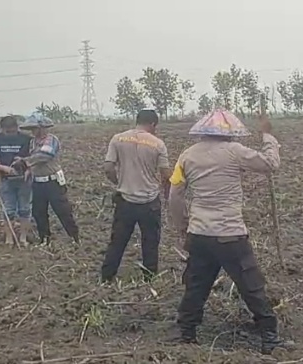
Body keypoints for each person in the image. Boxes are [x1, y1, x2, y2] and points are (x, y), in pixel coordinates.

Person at [168, 109, 289, 355]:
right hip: (230, 234)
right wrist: (268, 137)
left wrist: (183, 226)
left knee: (196, 286)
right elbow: (270, 164)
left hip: (199, 234)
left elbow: (174, 195)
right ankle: (270, 338)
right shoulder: (235, 151)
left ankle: (186, 334)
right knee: (251, 286)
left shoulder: (187, 155)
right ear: (230, 132)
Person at [101, 109, 172, 283]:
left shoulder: (117, 139)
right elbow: (165, 174)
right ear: (153, 124)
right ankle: (149, 277)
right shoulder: (158, 144)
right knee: (150, 240)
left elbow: (108, 168)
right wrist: (167, 194)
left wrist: (118, 182)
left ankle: (107, 276)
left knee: (118, 240)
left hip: (125, 200)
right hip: (149, 201)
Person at [13, 113, 79, 245]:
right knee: (39, 212)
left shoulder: (51, 139)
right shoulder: (32, 142)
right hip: (38, 182)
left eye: (35, 128)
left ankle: (74, 237)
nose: (33, 131)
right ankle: (45, 238)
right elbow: (34, 160)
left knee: (62, 210)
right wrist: (28, 169)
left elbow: (44, 156)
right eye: (31, 129)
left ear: (42, 128)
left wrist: (25, 162)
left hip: (53, 181)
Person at [0, 115, 33, 245]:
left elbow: (33, 159)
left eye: (13, 131)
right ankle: (9, 238)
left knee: (24, 209)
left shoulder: (27, 140)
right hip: (6, 179)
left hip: (24, 179)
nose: (11, 134)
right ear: (2, 129)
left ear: (17, 128)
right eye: (8, 132)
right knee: (8, 209)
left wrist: (29, 171)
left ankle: (23, 238)